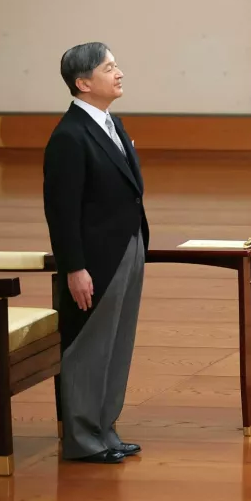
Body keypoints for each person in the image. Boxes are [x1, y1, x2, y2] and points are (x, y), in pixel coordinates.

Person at [43, 42, 148, 464]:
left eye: (117, 64)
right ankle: (83, 440)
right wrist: (75, 267)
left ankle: (106, 429)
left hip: (127, 245)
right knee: (88, 346)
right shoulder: (69, 136)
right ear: (83, 83)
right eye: (109, 67)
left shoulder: (110, 122)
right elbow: (61, 211)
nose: (119, 72)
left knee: (117, 343)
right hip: (95, 259)